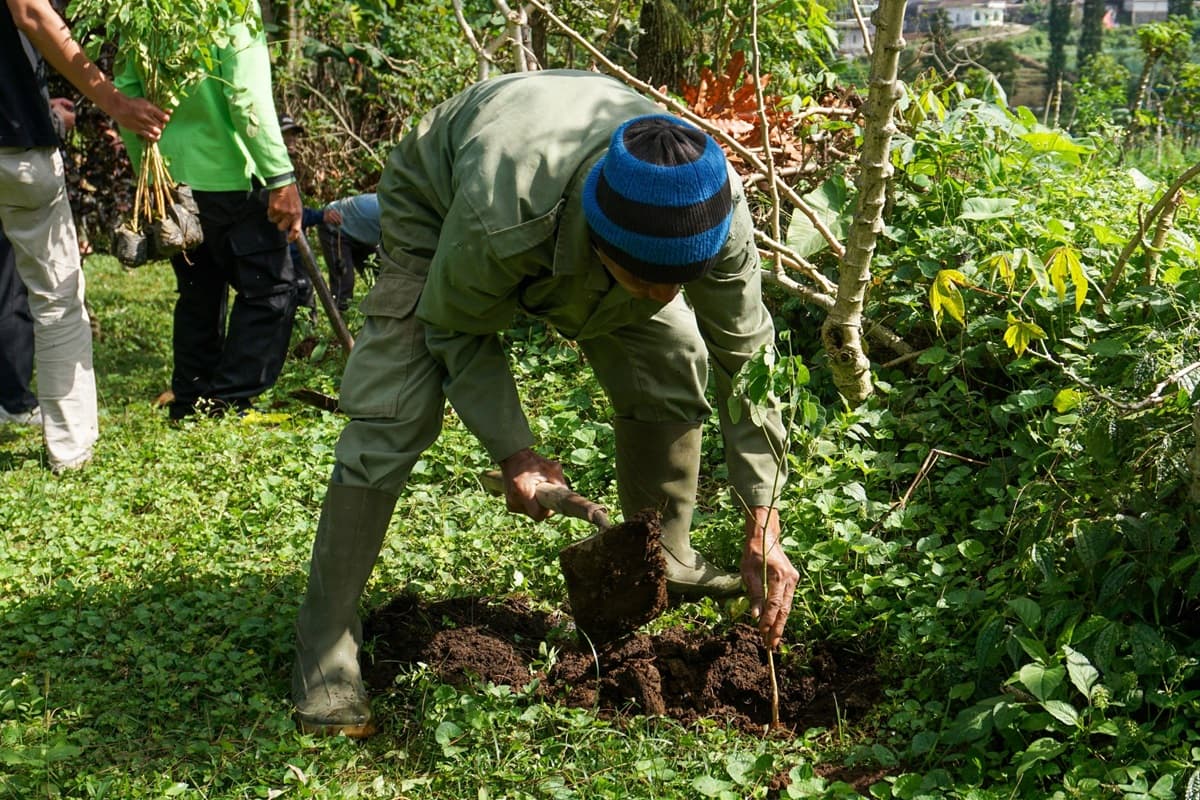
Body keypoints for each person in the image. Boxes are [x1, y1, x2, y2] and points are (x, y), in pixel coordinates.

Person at [292, 70, 801, 738]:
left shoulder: (712, 206)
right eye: (645, 282)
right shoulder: (502, 213)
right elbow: (455, 327)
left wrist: (764, 517)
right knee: (396, 413)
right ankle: (324, 650)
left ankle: (663, 559)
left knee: (673, 356)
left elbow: (748, 361)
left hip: (575, 192)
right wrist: (517, 453)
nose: (659, 296)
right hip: (441, 198)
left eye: (679, 282)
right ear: (597, 242)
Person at [1, 0, 169, 471]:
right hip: (14, 144)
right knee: (56, 298)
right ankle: (70, 451)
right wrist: (116, 103)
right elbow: (31, 12)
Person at [115, 0, 302, 420]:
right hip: (231, 180)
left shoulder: (147, 9)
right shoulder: (232, 7)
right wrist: (280, 176)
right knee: (270, 291)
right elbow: (247, 98)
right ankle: (228, 402)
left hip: (173, 181)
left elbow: (125, 93)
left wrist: (150, 173)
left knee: (200, 292)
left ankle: (190, 401)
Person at [307, 193, 379, 312]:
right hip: (335, 224)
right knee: (344, 283)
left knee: (380, 273)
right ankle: (341, 322)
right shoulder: (393, 214)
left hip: (360, 231)